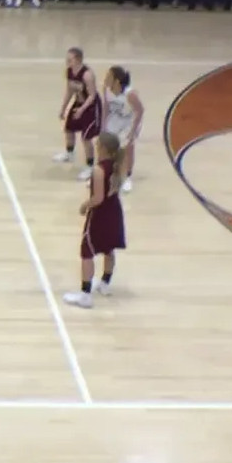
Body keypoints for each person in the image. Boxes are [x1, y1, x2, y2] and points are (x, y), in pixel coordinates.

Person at [62, 131, 126, 309]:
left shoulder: (99, 170)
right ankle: (105, 283)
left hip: (100, 215)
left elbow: (98, 198)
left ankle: (85, 294)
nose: (96, 148)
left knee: (87, 252)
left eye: (98, 146)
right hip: (114, 212)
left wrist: (84, 205)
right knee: (109, 248)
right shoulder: (118, 165)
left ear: (103, 149)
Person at [53, 47, 100, 181]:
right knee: (69, 128)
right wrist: (64, 108)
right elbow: (69, 90)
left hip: (90, 107)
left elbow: (92, 95)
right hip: (78, 103)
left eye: (70, 59)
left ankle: (90, 166)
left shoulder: (87, 75)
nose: (67, 61)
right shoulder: (69, 72)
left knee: (86, 138)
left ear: (78, 59)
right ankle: (69, 153)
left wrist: (81, 110)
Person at [101, 66, 142, 193]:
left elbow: (140, 111)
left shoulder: (130, 94)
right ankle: (104, 175)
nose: (106, 78)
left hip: (130, 121)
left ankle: (127, 177)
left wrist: (132, 132)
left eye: (109, 76)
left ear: (117, 81)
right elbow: (106, 107)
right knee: (107, 147)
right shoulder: (106, 89)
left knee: (127, 148)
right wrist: (103, 125)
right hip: (115, 119)